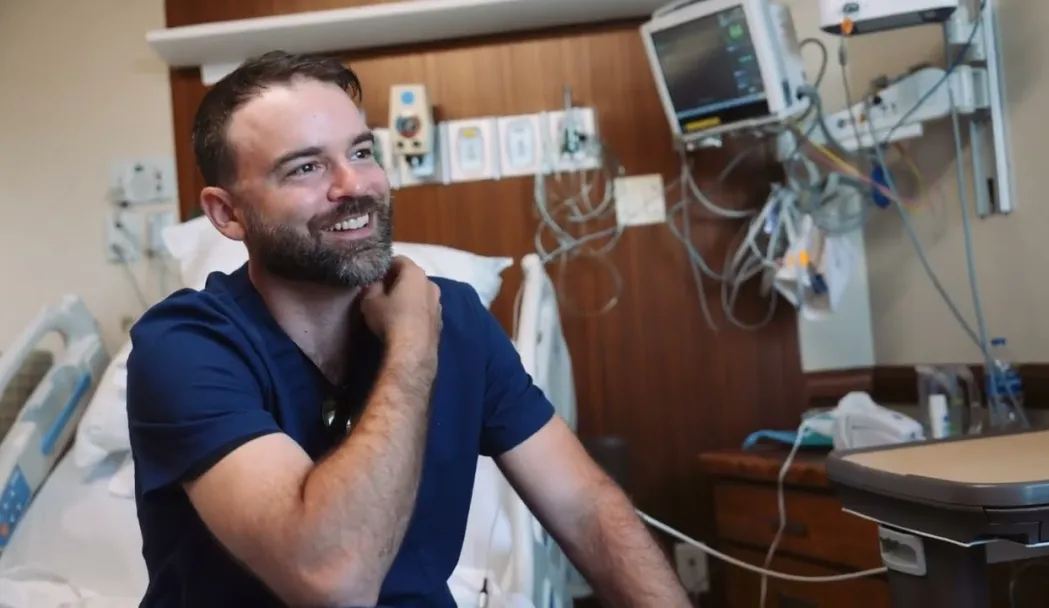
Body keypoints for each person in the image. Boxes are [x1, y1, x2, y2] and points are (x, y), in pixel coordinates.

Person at [126, 50, 691, 608]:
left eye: (362, 151)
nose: (355, 185)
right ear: (227, 214)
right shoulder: (186, 347)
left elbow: (587, 508)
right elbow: (332, 580)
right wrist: (413, 346)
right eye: (306, 167)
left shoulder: (460, 320)